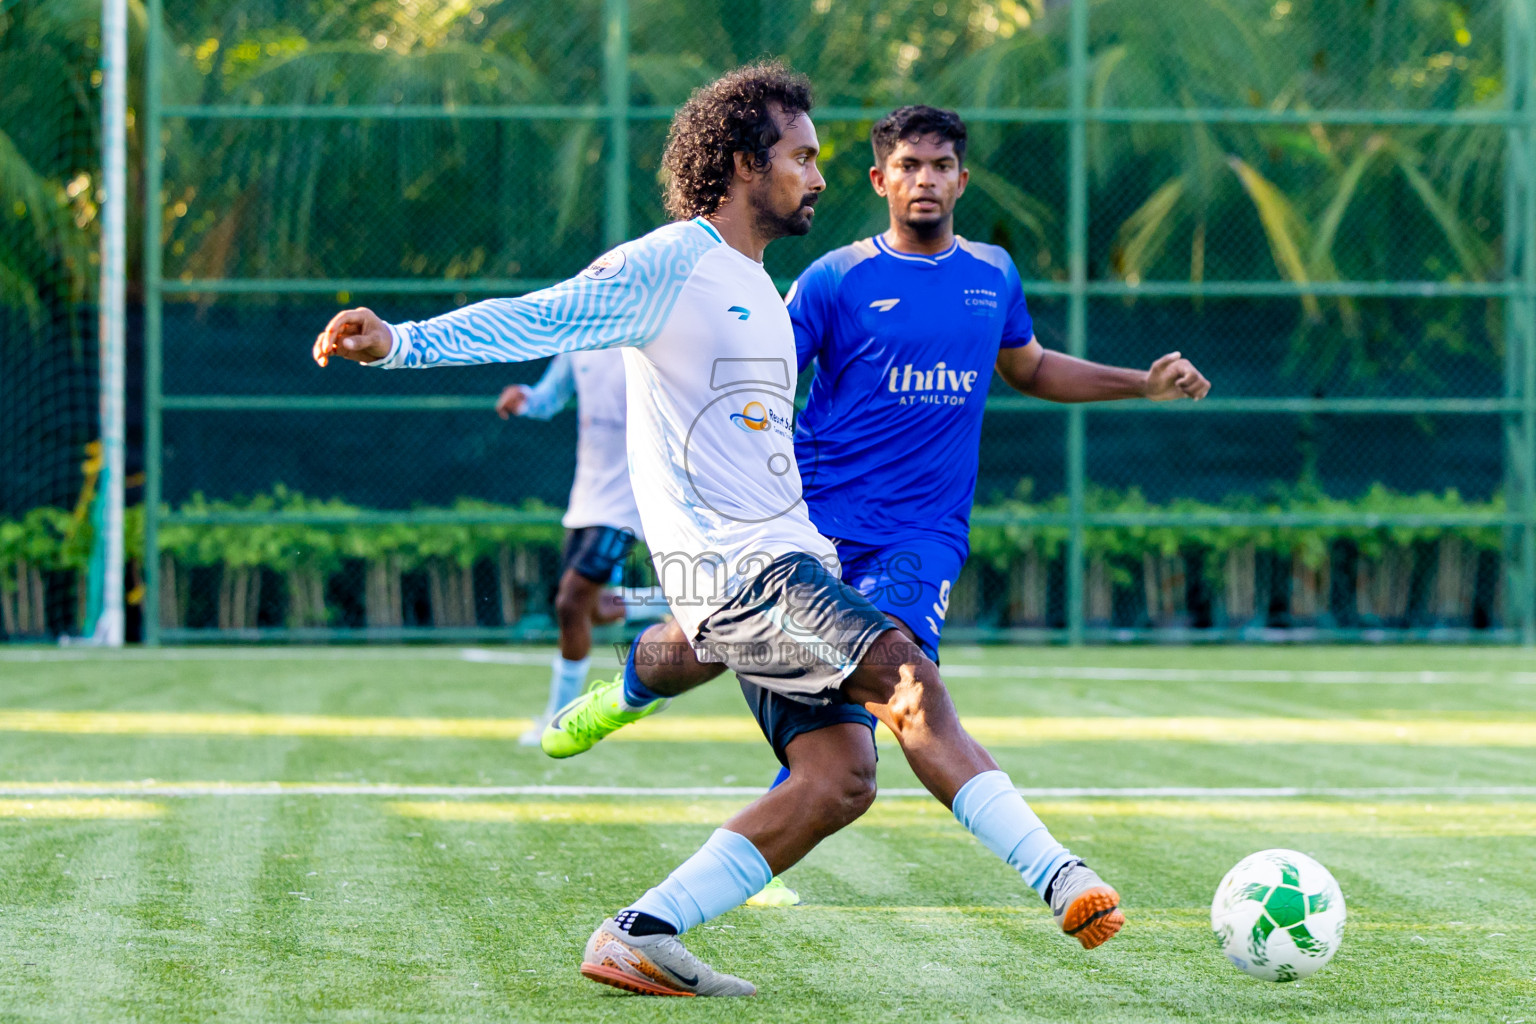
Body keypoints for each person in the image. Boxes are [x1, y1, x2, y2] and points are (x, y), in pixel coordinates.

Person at [314, 61, 1123, 999]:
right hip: (743, 576)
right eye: (802, 157)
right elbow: (542, 313)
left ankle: (639, 932)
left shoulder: (757, 287)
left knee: (840, 780)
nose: (819, 177)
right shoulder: (671, 261)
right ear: (744, 163)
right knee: (910, 683)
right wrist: (402, 340)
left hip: (782, 564)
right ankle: (1060, 875)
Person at [744, 103, 1211, 906]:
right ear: (879, 179)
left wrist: (1140, 383)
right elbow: (759, 380)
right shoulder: (835, 279)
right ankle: (644, 705)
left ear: (963, 178)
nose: (925, 180)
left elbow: (1027, 367)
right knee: (828, 759)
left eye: (940, 166)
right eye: (909, 166)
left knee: (907, 685)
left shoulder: (992, 274)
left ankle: (1057, 875)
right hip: (814, 533)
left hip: (921, 537)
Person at [494, 351, 649, 745]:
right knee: (593, 608)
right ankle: (676, 604)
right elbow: (549, 396)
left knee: (570, 602)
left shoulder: (651, 331)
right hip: (587, 497)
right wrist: (525, 398)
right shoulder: (578, 340)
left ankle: (558, 718)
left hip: (632, 498)